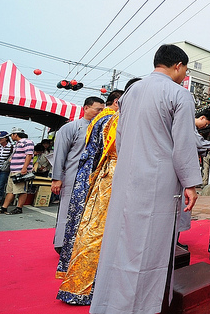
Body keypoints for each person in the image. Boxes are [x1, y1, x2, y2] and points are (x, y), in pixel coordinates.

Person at [90, 45, 202, 314]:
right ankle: (141, 307)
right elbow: (184, 144)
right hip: (158, 180)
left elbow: (120, 136)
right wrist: (190, 183)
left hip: (127, 175)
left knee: (120, 241)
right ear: (178, 65)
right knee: (150, 246)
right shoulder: (179, 95)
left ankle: (109, 303)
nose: (184, 75)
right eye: (185, 70)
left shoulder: (131, 92)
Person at [57, 80, 140, 306]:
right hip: (115, 179)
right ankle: (94, 286)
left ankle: (80, 284)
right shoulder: (120, 121)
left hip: (97, 179)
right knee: (105, 232)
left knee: (91, 228)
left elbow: (90, 157)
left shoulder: (101, 120)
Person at [56, 90, 123, 280]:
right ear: (118, 102)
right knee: (93, 227)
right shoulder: (112, 119)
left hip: (87, 174)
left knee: (80, 222)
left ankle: (70, 264)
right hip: (100, 176)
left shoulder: (99, 118)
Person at [51, 96, 105, 253]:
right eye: (98, 109)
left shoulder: (103, 129)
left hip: (93, 177)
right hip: (72, 176)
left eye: (102, 110)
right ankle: (61, 244)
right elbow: (59, 154)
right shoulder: (70, 128)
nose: (100, 113)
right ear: (86, 108)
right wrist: (57, 178)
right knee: (66, 209)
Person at [176, 108, 210, 250]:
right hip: (181, 170)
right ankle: (173, 242)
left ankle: (174, 241)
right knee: (180, 206)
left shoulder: (186, 125)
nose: (205, 126)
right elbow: (198, 143)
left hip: (180, 169)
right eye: (206, 123)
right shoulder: (187, 125)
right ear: (202, 118)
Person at [0, 128, 34, 215]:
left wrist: (24, 168)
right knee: (10, 190)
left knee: (21, 190)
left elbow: (29, 155)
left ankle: (19, 208)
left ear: (15, 135)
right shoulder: (17, 143)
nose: (11, 136)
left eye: (11, 135)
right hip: (13, 170)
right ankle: (4, 207)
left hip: (20, 170)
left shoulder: (27, 142)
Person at [0, 131, 14, 208]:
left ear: (6, 138)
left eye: (1, 138)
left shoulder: (11, 147)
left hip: (4, 169)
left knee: (1, 185)